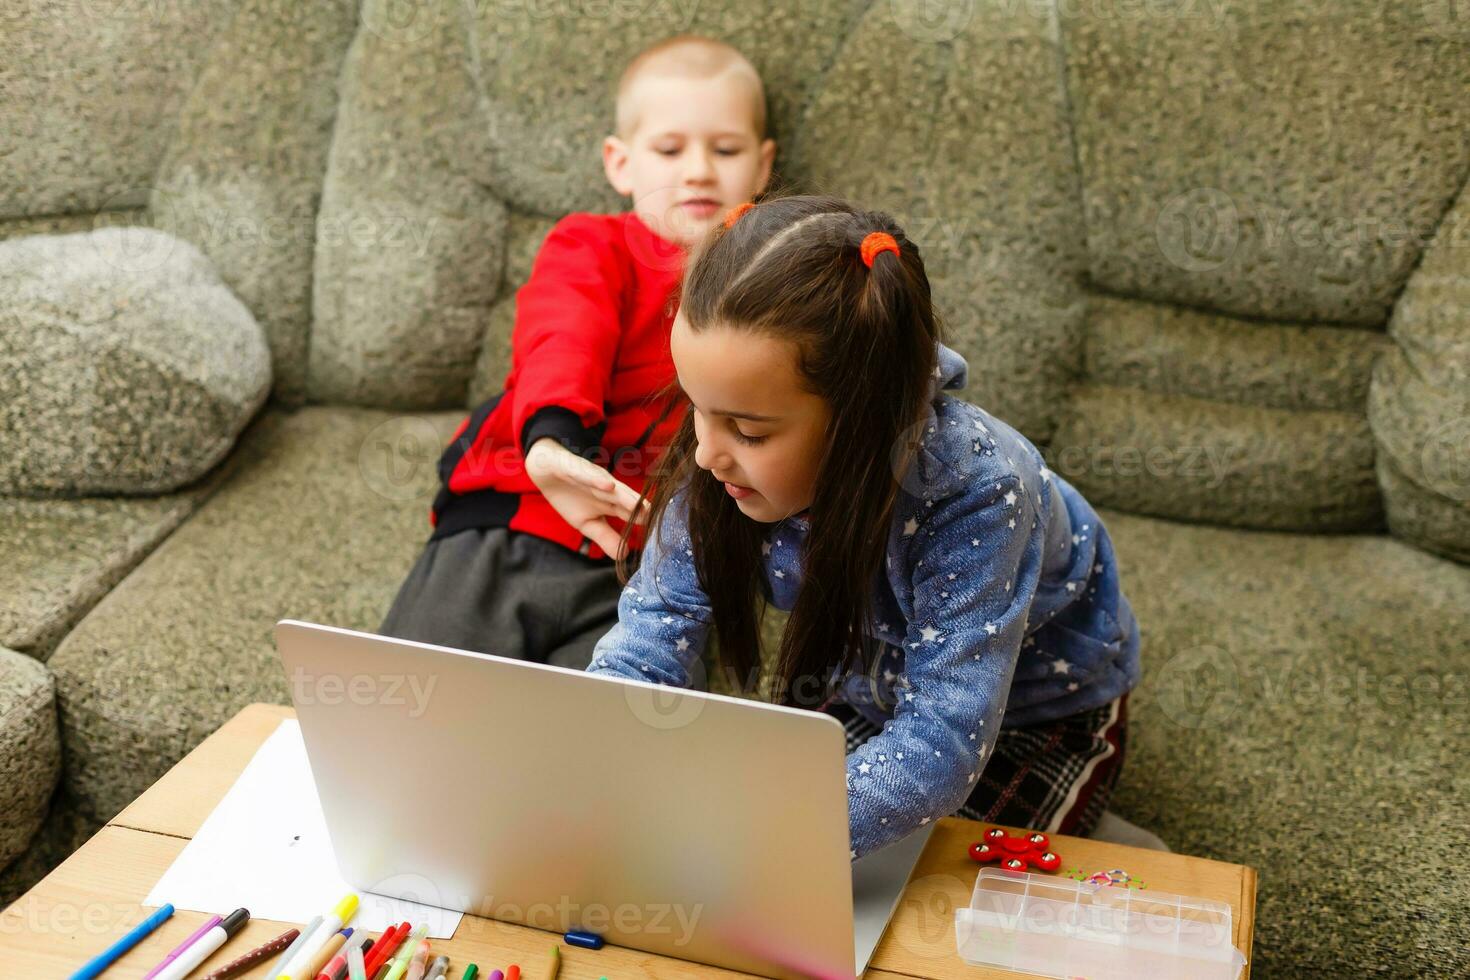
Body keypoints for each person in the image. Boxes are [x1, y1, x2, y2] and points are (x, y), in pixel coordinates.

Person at [585, 194, 1142, 860]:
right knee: (776, 865)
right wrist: (597, 758)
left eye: (749, 430)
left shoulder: (981, 491)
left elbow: (940, 744)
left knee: (917, 891)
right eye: (696, 409)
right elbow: (651, 632)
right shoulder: (722, 447)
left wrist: (767, 837)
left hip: (1038, 716)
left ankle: (1102, 824)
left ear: (863, 421)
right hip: (871, 690)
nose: (705, 453)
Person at [379, 36, 776, 669]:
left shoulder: (768, 285)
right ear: (620, 164)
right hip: (515, 515)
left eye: (724, 150)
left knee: (603, 741)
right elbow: (563, 336)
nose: (699, 169)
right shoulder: (593, 246)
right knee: (413, 703)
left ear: (761, 166)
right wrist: (554, 438)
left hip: (644, 567)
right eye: (670, 149)